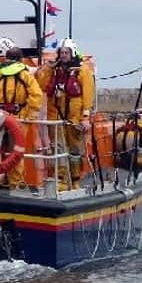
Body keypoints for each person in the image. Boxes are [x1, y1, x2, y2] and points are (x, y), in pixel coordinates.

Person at [0, 46, 43, 189]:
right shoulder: (26, 75)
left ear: (6, 58)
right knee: (15, 153)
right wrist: (29, 115)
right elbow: (36, 95)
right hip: (18, 119)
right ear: (21, 59)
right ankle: (14, 184)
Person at [35, 38, 94, 190]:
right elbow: (41, 85)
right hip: (55, 115)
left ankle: (75, 179)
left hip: (74, 116)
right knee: (58, 148)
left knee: (75, 150)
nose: (63, 55)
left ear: (72, 53)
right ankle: (60, 179)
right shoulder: (55, 70)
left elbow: (87, 94)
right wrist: (48, 68)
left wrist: (85, 117)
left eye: (66, 52)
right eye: (61, 52)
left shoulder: (82, 70)